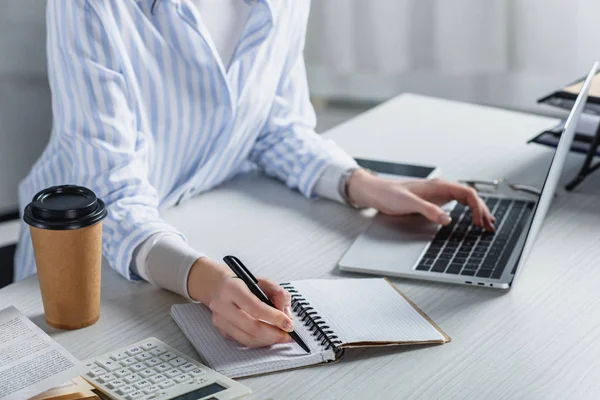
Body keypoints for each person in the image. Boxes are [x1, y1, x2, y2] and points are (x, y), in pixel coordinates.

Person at [16, 0, 495, 348]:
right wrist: (205, 282)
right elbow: (111, 196)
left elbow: (275, 126)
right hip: (80, 270)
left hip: (200, 227)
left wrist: (360, 183)